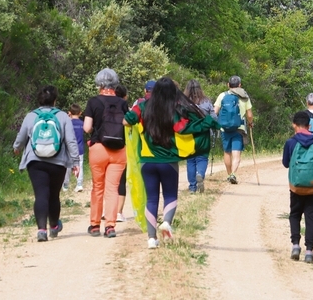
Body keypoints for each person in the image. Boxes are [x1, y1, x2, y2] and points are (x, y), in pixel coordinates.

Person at [125, 77, 218, 249]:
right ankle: (166, 222)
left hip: (147, 160)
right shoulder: (174, 111)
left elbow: (127, 120)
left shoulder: (142, 107)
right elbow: (183, 128)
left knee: (151, 199)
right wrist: (207, 123)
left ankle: (151, 239)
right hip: (168, 161)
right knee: (170, 196)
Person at [13, 85, 79, 242]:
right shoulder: (63, 116)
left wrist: (16, 148)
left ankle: (41, 230)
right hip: (58, 162)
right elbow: (70, 140)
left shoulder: (31, 116)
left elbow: (21, 136)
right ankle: (54, 226)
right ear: (55, 100)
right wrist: (75, 161)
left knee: (41, 194)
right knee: (54, 195)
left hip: (35, 161)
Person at [83, 68, 129, 238]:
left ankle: (95, 225)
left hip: (98, 149)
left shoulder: (93, 102)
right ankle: (110, 226)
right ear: (115, 84)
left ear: (99, 84)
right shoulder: (122, 103)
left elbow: (87, 127)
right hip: (118, 150)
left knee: (98, 187)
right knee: (113, 188)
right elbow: (127, 123)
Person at [283, 110, 313, 264]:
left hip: (296, 186)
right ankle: (309, 252)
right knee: (310, 217)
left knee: (295, 214)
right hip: (312, 187)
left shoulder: (290, 142)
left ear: (294, 125)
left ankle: (295, 245)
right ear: (309, 126)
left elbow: (285, 163)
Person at [214, 75, 253, 184]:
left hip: (224, 128)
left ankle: (228, 174)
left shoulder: (222, 95)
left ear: (228, 85)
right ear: (240, 85)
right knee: (236, 153)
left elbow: (215, 112)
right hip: (239, 128)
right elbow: (249, 115)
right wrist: (250, 123)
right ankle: (233, 174)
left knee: (227, 152)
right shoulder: (244, 97)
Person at [184, 79, 216, 193]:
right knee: (202, 158)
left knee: (190, 160)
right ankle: (200, 174)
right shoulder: (206, 101)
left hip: (189, 136)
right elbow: (213, 118)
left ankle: (192, 187)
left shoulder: (183, 102)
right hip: (204, 135)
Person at [114, 84, 129, 223]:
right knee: (121, 180)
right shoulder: (124, 106)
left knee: (108, 182)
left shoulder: (103, 104)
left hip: (102, 146)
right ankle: (118, 212)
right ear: (125, 96)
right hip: (121, 146)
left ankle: (107, 211)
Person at [62, 103, 85, 192]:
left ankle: (65, 185)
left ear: (69, 112)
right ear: (80, 113)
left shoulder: (68, 123)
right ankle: (79, 184)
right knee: (80, 166)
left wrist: (68, 117)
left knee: (67, 167)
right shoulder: (82, 124)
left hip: (68, 149)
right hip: (79, 149)